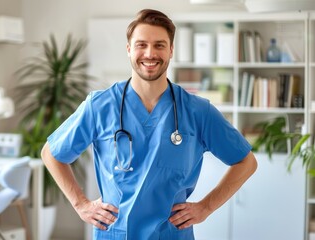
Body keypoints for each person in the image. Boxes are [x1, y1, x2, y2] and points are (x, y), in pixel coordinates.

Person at [41, 8, 257, 240]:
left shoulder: (197, 111)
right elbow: (51, 154)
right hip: (116, 233)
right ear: (129, 50)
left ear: (171, 50)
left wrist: (206, 207)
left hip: (171, 234)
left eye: (160, 45)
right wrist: (80, 204)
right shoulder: (99, 106)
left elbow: (246, 162)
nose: (150, 53)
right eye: (141, 44)